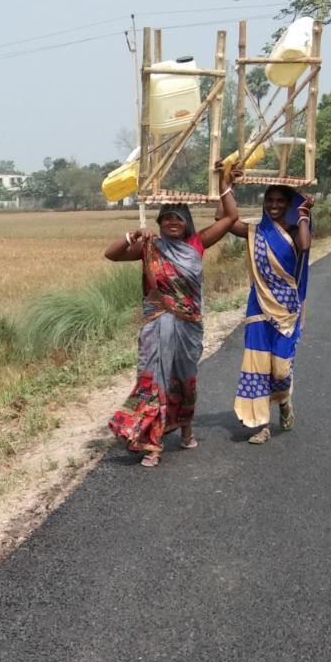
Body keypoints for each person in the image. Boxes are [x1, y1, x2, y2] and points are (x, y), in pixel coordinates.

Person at [104, 182, 239, 467]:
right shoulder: (150, 247)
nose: (172, 222)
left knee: (184, 381)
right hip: (156, 326)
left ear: (187, 222)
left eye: (178, 217)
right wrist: (132, 235)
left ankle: (186, 431)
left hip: (188, 327)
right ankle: (152, 444)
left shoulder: (196, 244)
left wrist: (225, 185)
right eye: (166, 218)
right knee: (152, 382)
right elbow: (111, 254)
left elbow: (229, 218)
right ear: (159, 222)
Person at [221, 172, 314, 444]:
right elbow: (225, 221)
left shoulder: (296, 232)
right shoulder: (254, 232)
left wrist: (304, 214)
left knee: (281, 370)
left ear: (288, 204)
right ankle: (262, 425)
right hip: (258, 308)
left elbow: (306, 246)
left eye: (279, 201)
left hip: (287, 310)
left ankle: (284, 400)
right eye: (269, 200)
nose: (273, 205)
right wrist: (225, 186)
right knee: (258, 367)